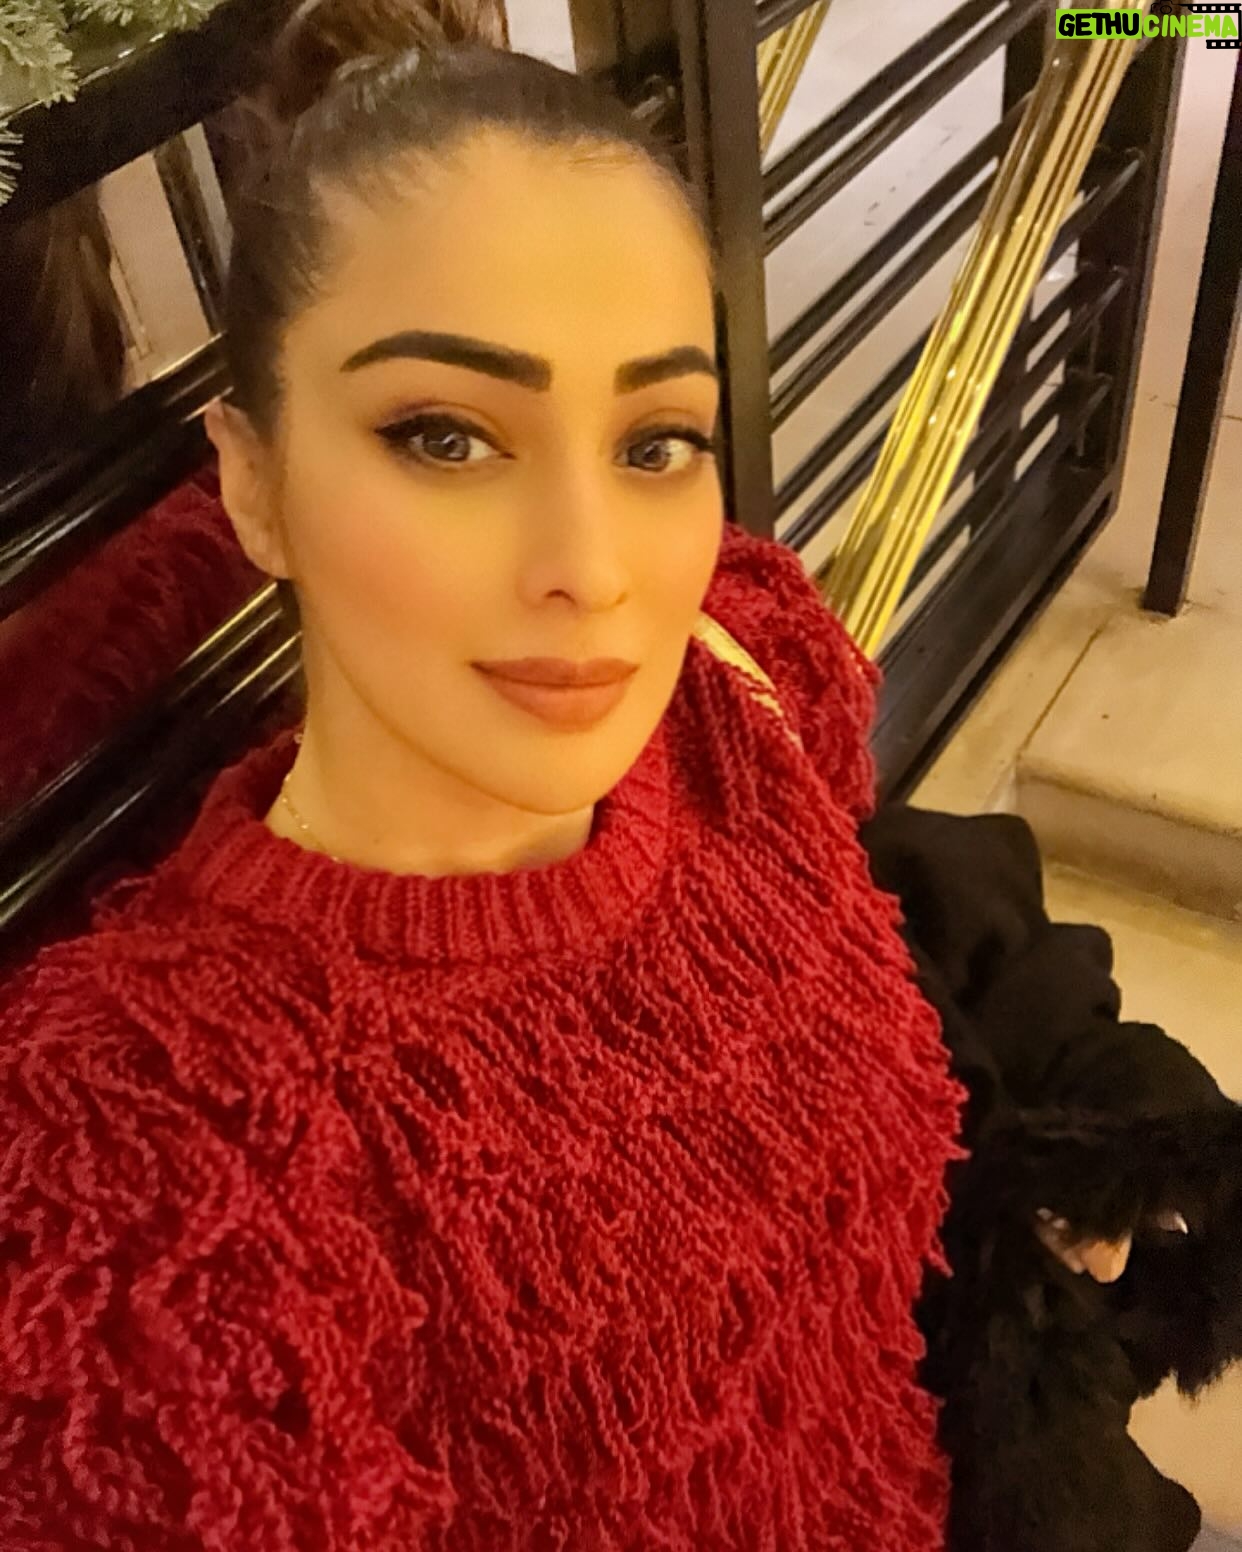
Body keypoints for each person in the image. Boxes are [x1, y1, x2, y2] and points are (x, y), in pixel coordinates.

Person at [0, 6, 1145, 1548]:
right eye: (445, 437)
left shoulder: (731, 694)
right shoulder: (143, 1169)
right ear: (251, 480)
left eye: (655, 440)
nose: (593, 571)